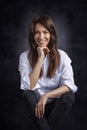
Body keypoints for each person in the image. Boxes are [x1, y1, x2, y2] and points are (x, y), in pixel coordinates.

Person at [18, 15, 78, 130]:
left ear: (51, 34)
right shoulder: (24, 57)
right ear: (32, 35)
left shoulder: (62, 56)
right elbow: (28, 86)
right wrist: (40, 58)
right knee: (27, 95)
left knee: (69, 97)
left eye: (45, 32)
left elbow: (70, 85)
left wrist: (46, 96)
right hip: (34, 105)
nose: (41, 37)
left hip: (56, 106)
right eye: (37, 32)